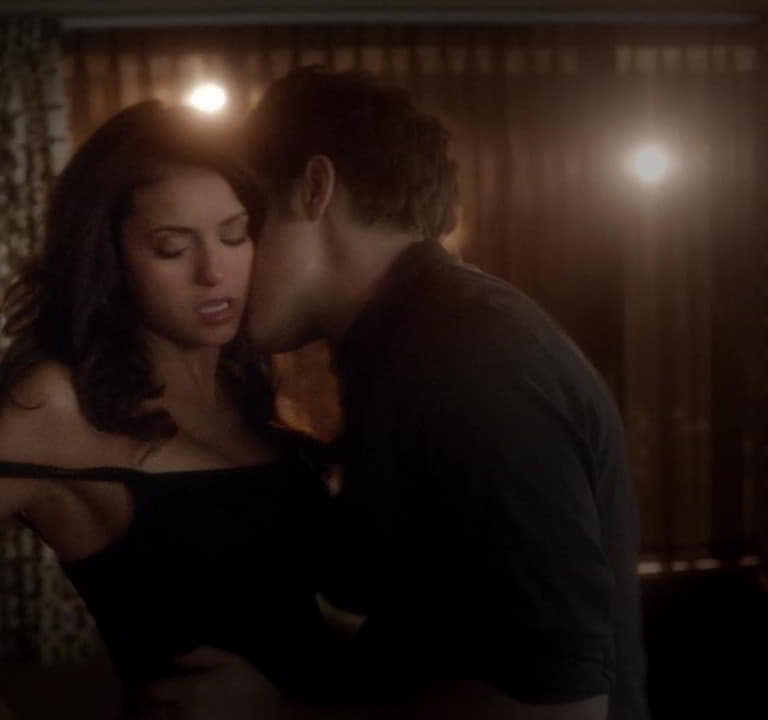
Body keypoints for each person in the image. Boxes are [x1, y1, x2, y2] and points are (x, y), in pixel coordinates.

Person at [142, 68, 648, 720]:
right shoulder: (403, 346)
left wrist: (278, 714)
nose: (225, 267)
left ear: (314, 189)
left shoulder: (466, 361)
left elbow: (563, 710)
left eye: (241, 227)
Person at [0, 100, 341, 719]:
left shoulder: (243, 383)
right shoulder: (56, 404)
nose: (214, 271)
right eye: (171, 247)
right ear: (109, 258)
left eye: (234, 235)